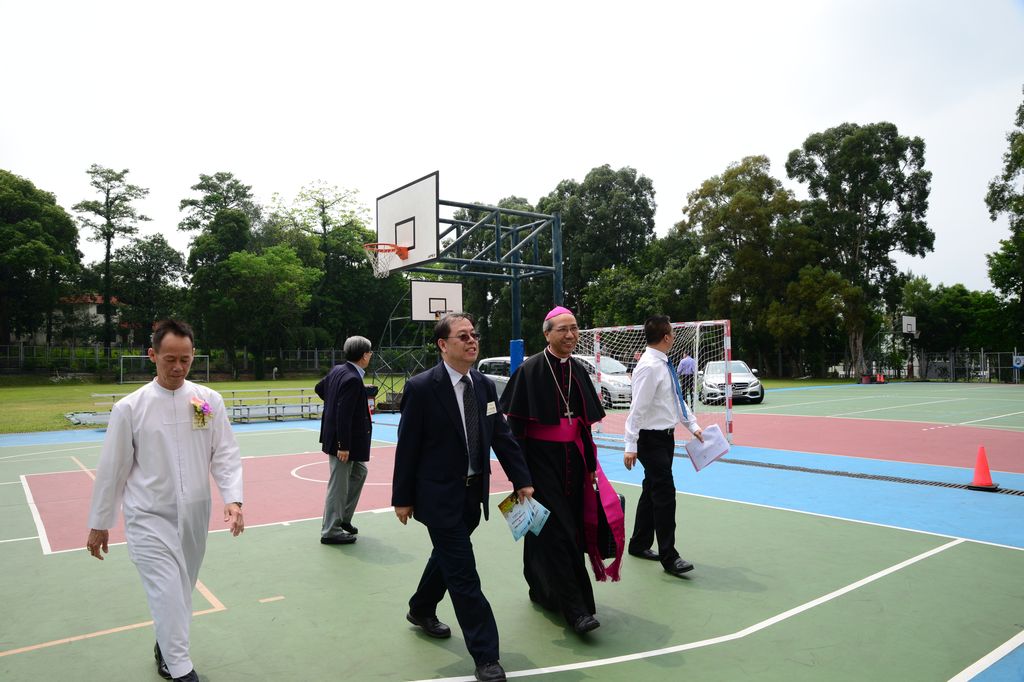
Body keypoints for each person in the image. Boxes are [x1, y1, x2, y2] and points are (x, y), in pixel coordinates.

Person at [85, 319, 243, 682]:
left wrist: (234, 499)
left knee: (182, 589)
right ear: (152, 355)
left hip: (195, 514)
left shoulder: (205, 401)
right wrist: (100, 524)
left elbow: (224, 453)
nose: (178, 367)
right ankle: (181, 668)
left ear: (193, 356)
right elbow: (112, 470)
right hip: (148, 516)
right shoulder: (130, 408)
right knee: (167, 591)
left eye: (185, 359)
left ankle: (165, 645)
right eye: (170, 359)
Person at [392, 313, 534, 682]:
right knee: (464, 575)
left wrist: (521, 479)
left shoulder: (484, 386)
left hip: (474, 497)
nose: (472, 341)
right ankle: (486, 656)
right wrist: (402, 497)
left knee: (446, 558)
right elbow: (407, 447)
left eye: (474, 335)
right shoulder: (422, 388)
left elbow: (501, 435)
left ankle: (421, 608)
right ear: (443, 345)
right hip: (438, 497)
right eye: (463, 336)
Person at [499, 305, 624, 635]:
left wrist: (591, 466)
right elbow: (514, 432)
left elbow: (584, 425)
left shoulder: (579, 370)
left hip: (575, 463)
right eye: (562, 329)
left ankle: (541, 589)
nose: (570, 335)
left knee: (541, 531)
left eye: (574, 328)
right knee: (560, 534)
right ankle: (577, 611)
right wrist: (520, 478)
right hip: (540, 464)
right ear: (547, 334)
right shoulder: (529, 371)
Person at [624, 315, 704, 578]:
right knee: (665, 493)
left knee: (652, 488)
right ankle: (670, 556)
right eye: (672, 332)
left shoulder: (664, 364)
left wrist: (693, 426)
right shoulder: (649, 366)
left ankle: (638, 543)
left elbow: (675, 400)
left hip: (665, 438)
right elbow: (637, 409)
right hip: (650, 440)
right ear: (666, 337)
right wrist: (630, 444)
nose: (674, 336)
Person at [315, 335, 373, 544]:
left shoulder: (338, 370)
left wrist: (333, 402)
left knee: (359, 472)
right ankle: (331, 530)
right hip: (343, 442)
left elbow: (320, 388)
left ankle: (343, 519)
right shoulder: (352, 379)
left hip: (342, 439)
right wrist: (343, 446)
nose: (371, 355)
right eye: (370, 352)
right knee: (338, 485)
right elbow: (344, 414)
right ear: (364, 355)